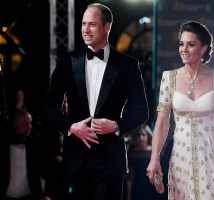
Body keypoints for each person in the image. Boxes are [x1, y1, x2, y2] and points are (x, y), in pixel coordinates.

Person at [44, 3, 149, 200]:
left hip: (109, 160)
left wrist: (116, 125)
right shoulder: (67, 61)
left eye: (92, 24)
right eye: (83, 24)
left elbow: (141, 110)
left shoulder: (127, 65)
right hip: (75, 158)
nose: (85, 30)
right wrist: (71, 127)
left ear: (107, 26)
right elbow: (50, 105)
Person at [146, 21, 214, 200]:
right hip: (180, 160)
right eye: (181, 44)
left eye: (191, 44)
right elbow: (162, 123)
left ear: (203, 48)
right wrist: (155, 158)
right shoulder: (169, 78)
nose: (184, 49)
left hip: (210, 156)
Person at [0, 109, 51, 200]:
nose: (29, 127)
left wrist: (47, 195)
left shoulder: (36, 146)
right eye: (24, 125)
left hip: (30, 197)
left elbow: (48, 172)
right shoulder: (3, 147)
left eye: (30, 123)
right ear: (13, 125)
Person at [126, 124, 159, 200]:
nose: (141, 138)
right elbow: (129, 178)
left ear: (148, 136)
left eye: (143, 135)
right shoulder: (131, 154)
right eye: (138, 135)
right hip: (136, 188)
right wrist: (128, 196)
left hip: (152, 188)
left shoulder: (154, 153)